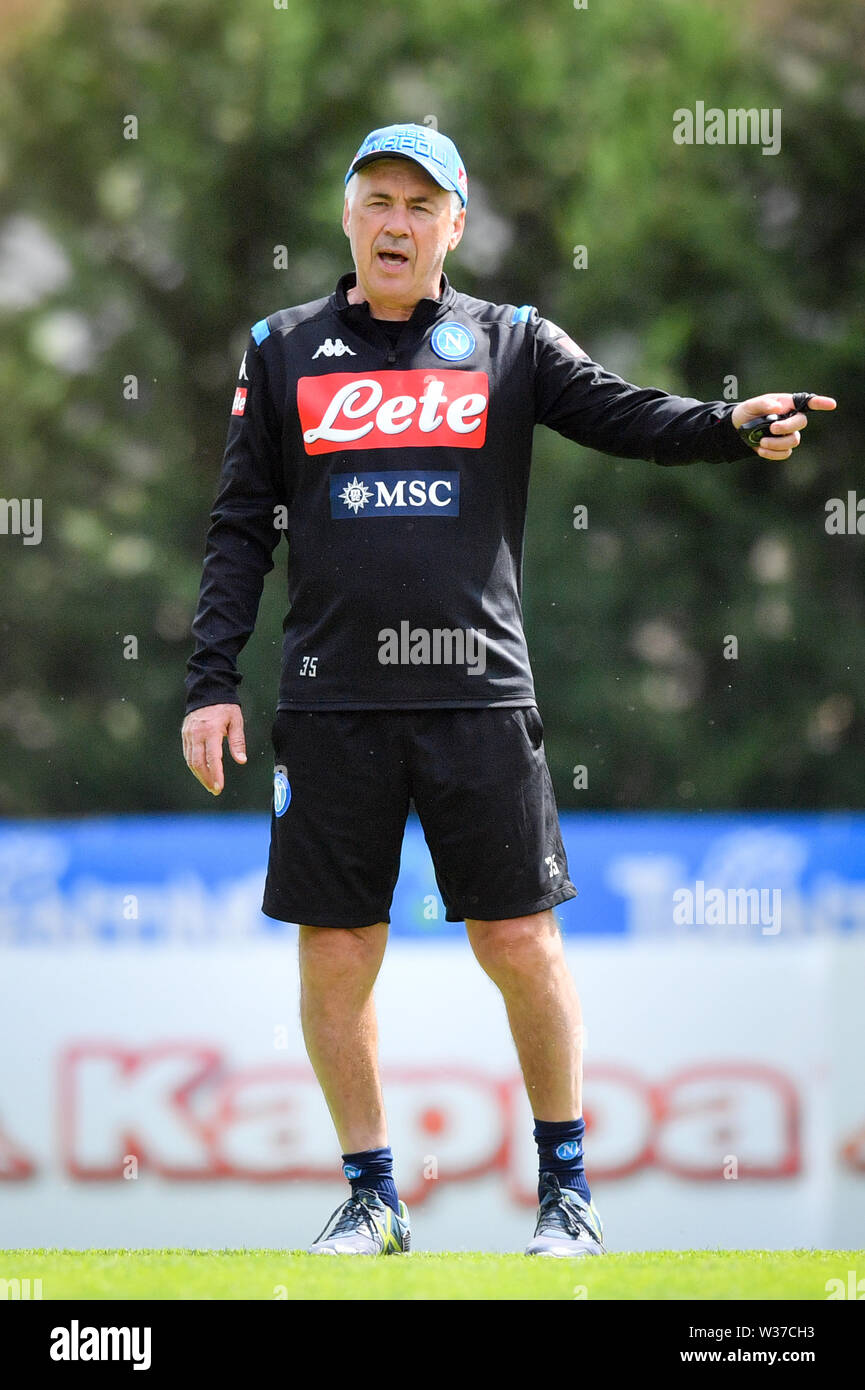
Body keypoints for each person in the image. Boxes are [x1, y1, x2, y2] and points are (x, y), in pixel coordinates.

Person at [182, 123, 835, 1258]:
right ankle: (372, 1196)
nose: (396, 222)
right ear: (349, 216)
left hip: (479, 694)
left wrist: (729, 425)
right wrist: (208, 680)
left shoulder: (512, 341)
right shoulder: (281, 349)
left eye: (420, 205)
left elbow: (626, 414)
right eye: (377, 199)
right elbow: (241, 526)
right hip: (330, 703)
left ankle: (566, 1194)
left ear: (454, 227)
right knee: (335, 951)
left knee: (518, 942)